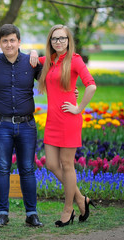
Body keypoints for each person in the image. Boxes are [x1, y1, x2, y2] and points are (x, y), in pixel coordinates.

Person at [38, 24, 96, 227]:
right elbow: (32, 61)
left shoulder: (75, 60)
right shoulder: (49, 61)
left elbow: (91, 85)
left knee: (67, 165)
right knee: (52, 164)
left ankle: (68, 208)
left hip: (69, 120)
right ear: (50, 42)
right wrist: (31, 52)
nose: (58, 42)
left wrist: (79, 108)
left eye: (62, 38)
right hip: (52, 121)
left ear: (68, 40)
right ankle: (82, 199)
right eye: (54, 39)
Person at [0, 24, 44, 228]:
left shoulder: (31, 62)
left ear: (19, 42)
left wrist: (71, 93)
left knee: (28, 169)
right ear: (0, 43)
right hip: (0, 124)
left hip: (27, 125)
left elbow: (54, 76)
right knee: (2, 168)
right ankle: (2, 213)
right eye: (5, 41)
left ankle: (31, 213)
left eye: (12, 40)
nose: (9, 44)